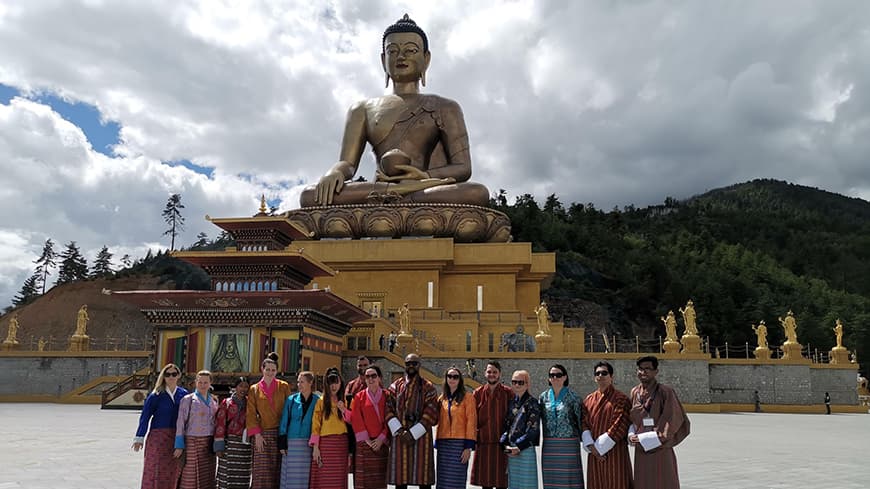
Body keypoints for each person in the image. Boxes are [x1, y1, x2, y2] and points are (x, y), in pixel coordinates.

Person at [300, 14, 489, 208]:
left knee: (476, 193)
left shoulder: (446, 107)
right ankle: (394, 195)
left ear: (426, 59)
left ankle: (394, 198)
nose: (401, 56)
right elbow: (348, 164)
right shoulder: (362, 109)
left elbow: (463, 168)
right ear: (383, 60)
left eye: (410, 50)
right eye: (393, 51)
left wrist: (424, 176)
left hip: (424, 188)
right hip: (381, 187)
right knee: (310, 196)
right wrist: (334, 173)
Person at [628, 356, 690, 489]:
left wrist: (656, 437)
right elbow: (631, 418)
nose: (643, 372)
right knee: (642, 481)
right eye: (640, 369)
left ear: (656, 371)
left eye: (648, 369)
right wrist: (631, 434)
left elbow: (672, 419)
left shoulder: (665, 392)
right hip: (641, 449)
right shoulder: (634, 392)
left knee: (663, 481)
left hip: (661, 447)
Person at [386, 353, 439, 489]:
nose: (411, 366)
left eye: (414, 363)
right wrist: (400, 431)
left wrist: (413, 433)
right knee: (400, 480)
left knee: (423, 479)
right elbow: (388, 409)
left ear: (419, 365)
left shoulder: (428, 387)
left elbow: (431, 412)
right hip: (400, 437)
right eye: (408, 363)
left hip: (421, 439)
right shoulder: (395, 386)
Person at [133, 363, 188, 489]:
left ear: (178, 376)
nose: (171, 377)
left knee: (175, 468)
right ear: (163, 376)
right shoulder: (155, 395)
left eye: (174, 374)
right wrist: (139, 437)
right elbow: (145, 417)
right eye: (167, 374)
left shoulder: (184, 395)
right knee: (156, 467)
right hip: (158, 438)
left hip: (177, 437)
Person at [581, 361, 632, 489]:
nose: (601, 376)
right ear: (594, 377)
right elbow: (583, 423)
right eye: (597, 373)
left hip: (615, 453)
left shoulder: (621, 399)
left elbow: (619, 424)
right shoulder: (589, 399)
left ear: (611, 376)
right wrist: (592, 447)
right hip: (594, 453)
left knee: (617, 482)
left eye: (604, 373)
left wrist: (599, 448)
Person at [247, 352, 292, 489]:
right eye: (267, 369)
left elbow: (289, 409)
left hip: (281, 433)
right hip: (263, 434)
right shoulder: (254, 389)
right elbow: (251, 413)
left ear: (277, 371)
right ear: (262, 369)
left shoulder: (283, 386)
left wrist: (286, 432)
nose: (270, 372)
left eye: (273, 370)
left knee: (279, 469)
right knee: (262, 471)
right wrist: (257, 435)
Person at [539, 364, 584, 489]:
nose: (555, 378)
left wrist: (583, 439)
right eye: (552, 375)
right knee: (551, 479)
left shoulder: (573, 397)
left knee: (570, 479)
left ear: (565, 377)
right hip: (549, 446)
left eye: (558, 375)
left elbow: (580, 420)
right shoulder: (543, 397)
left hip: (569, 445)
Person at [175, 370, 219, 489]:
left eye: (206, 382)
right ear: (195, 382)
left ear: (210, 383)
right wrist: (179, 444)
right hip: (192, 440)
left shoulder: (214, 401)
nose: (203, 385)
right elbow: (180, 422)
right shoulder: (188, 399)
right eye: (200, 382)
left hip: (209, 441)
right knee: (191, 473)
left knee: (207, 473)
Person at [471, 361, 512, 489]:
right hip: (484, 444)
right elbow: (473, 420)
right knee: (486, 483)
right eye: (489, 372)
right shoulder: (477, 393)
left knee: (502, 483)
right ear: (485, 373)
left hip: (503, 444)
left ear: (500, 374)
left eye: (495, 372)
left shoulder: (508, 393)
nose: (492, 374)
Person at [309, 367, 351, 489]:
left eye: (336, 382)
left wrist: (343, 409)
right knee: (323, 477)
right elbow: (316, 425)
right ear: (326, 384)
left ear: (341, 383)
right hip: (325, 444)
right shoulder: (321, 401)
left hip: (341, 444)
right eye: (331, 383)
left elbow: (352, 421)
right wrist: (316, 448)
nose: (334, 386)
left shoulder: (345, 400)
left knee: (338, 478)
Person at [435, 367, 477, 489]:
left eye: (455, 377)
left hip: (459, 444)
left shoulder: (468, 397)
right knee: (442, 480)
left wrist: (468, 446)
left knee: (456, 480)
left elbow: (471, 421)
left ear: (460, 380)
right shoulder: (442, 398)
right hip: (444, 445)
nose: (452, 379)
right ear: (446, 378)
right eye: (449, 376)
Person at [350, 365, 390, 489]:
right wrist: (367, 440)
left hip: (381, 444)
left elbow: (390, 418)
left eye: (374, 376)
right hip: (364, 444)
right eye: (367, 376)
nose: (370, 379)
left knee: (379, 480)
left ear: (380, 378)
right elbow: (356, 419)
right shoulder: (359, 396)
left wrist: (381, 438)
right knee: (363, 481)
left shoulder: (387, 395)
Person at [278, 371, 319, 489]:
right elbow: (284, 421)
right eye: (298, 382)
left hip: (308, 443)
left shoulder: (318, 400)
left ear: (310, 383)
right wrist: (282, 443)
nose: (299, 385)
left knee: (305, 475)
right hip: (292, 442)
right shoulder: (291, 399)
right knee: (290, 473)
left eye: (302, 382)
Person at [500, 369, 541, 489]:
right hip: (511, 451)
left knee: (527, 483)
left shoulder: (533, 403)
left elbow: (533, 430)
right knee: (514, 484)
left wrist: (518, 447)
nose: (517, 385)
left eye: (520, 382)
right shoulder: (512, 402)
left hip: (525, 449)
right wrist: (504, 444)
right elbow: (506, 426)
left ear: (527, 384)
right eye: (514, 382)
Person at [215, 377, 252, 489]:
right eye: (241, 386)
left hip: (245, 446)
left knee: (243, 476)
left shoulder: (251, 403)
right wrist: (219, 446)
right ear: (235, 387)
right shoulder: (226, 403)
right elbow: (220, 424)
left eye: (246, 386)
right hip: (229, 444)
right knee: (227, 476)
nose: (243, 389)